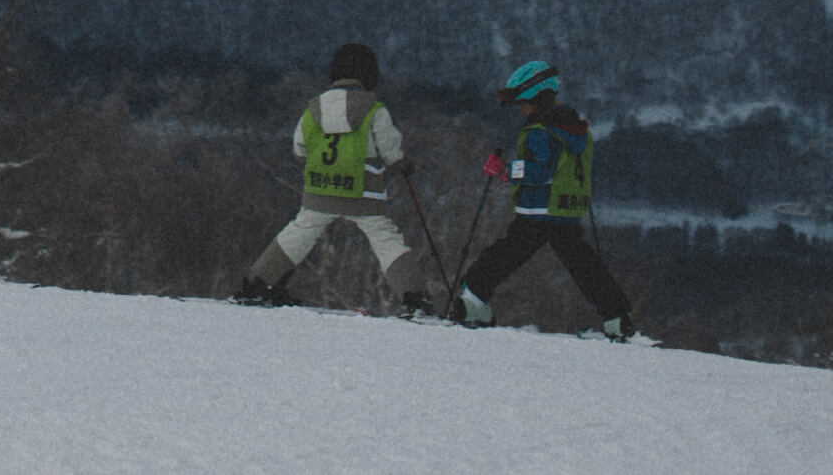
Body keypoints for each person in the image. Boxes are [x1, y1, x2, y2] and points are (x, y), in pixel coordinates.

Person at [235, 42, 432, 317]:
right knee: (386, 240)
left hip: (320, 188)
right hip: (364, 193)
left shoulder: (313, 110)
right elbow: (390, 150)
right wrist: (402, 165)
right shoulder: (375, 110)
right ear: (369, 74)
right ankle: (415, 298)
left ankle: (258, 284)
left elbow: (299, 147)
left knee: (299, 233)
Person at [447, 60, 635, 339]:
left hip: (537, 210)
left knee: (502, 256)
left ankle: (472, 304)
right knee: (584, 265)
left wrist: (506, 171)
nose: (521, 110)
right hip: (566, 209)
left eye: (523, 104)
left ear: (537, 99)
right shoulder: (575, 128)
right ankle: (617, 319)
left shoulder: (539, 131)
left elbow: (540, 171)